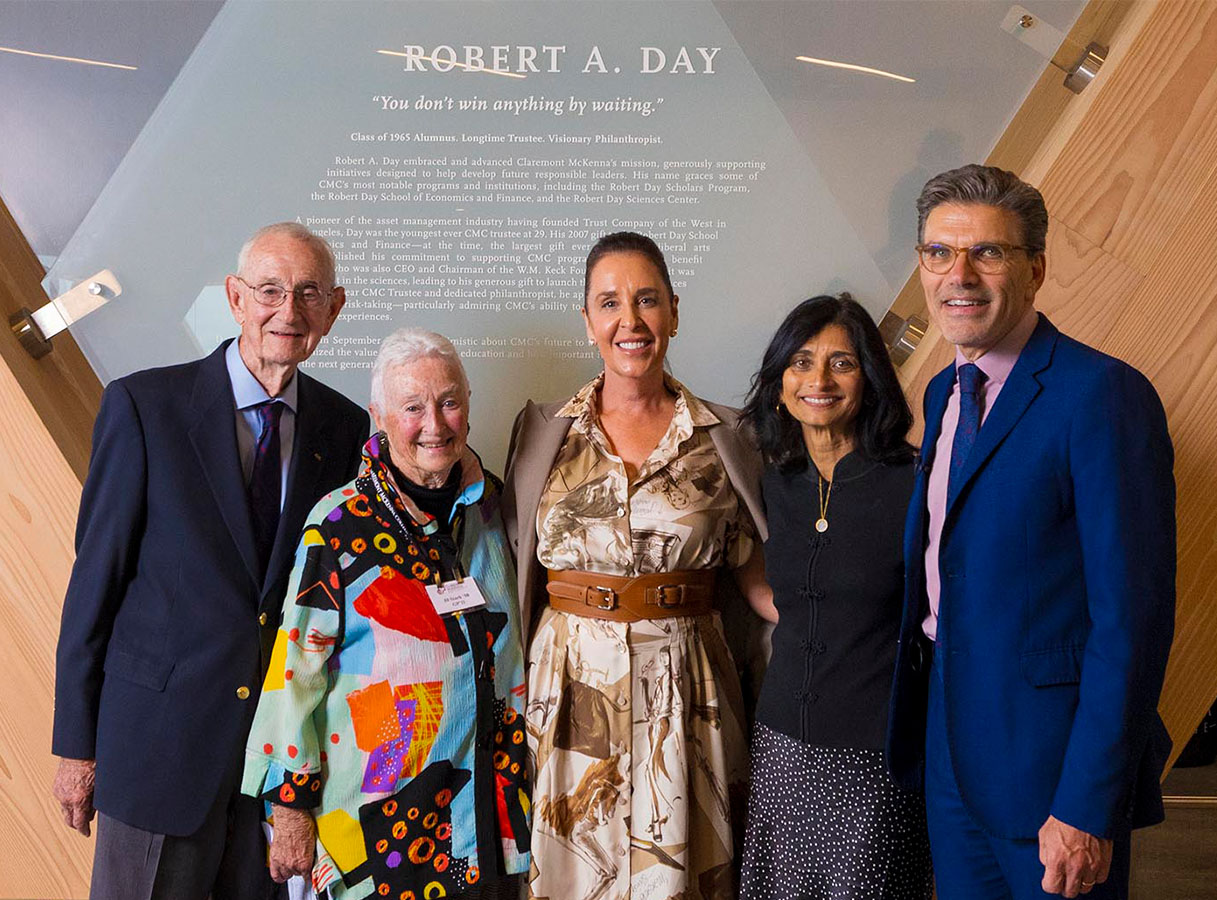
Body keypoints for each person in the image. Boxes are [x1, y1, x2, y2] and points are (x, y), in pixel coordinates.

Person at [51, 222, 369, 899]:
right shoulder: (145, 407)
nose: (289, 311)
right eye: (270, 290)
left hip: (272, 772)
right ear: (234, 297)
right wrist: (75, 746)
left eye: (309, 294)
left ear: (334, 310)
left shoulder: (345, 431)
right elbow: (94, 583)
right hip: (158, 752)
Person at [886, 164, 1175, 900]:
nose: (961, 274)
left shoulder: (1102, 394)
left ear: (1036, 269)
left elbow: (1132, 623)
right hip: (951, 753)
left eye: (988, 252)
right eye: (940, 253)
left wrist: (1085, 805)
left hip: (1051, 771)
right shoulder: (945, 390)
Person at [501, 232, 774, 900]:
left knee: (678, 874)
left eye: (647, 300)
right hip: (569, 689)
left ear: (674, 312)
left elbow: (756, 575)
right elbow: (510, 562)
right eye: (610, 302)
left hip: (686, 687)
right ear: (588, 320)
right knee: (573, 872)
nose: (631, 320)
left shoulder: (726, 437)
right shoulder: (542, 432)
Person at [241, 328, 530, 900]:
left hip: (490, 809)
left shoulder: (495, 507)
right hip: (383, 826)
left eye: (449, 402)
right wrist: (291, 811)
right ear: (379, 416)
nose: (435, 424)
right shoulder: (340, 523)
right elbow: (296, 673)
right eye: (413, 407)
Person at [738, 294, 931, 899]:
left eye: (841, 363)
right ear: (778, 384)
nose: (818, 379)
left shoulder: (915, 483)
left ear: (869, 381)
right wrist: (790, 609)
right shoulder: (773, 483)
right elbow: (754, 573)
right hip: (781, 749)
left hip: (875, 759)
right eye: (800, 361)